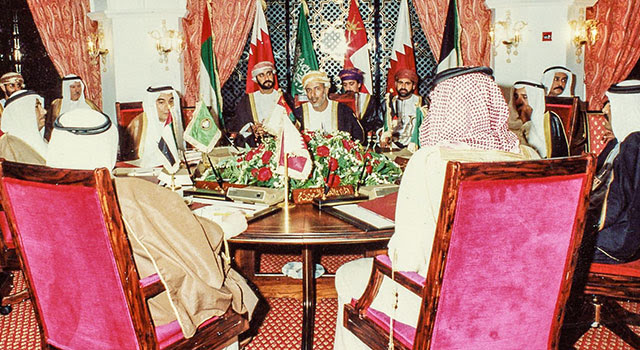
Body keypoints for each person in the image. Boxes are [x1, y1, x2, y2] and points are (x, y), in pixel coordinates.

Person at [333, 67, 539, 350]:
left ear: (446, 107)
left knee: (348, 274)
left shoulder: (430, 161)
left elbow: (406, 257)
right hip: (520, 299)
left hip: (445, 303)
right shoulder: (530, 157)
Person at [47, 108, 258, 344]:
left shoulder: (40, 195)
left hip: (71, 308)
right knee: (227, 282)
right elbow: (193, 250)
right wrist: (222, 227)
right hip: (140, 311)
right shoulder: (127, 193)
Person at [587, 80, 640, 264]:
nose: (605, 111)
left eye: (612, 104)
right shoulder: (625, 142)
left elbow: (613, 204)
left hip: (619, 241)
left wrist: (580, 225)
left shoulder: (634, 144)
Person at [231, 61, 295, 147]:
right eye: (261, 75)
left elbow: (294, 123)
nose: (266, 78)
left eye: (269, 74)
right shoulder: (247, 100)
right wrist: (252, 129)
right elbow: (239, 125)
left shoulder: (285, 98)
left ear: (273, 75)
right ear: (256, 79)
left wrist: (271, 130)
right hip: (256, 146)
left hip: (282, 145)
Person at [293, 70, 365, 143]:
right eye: (309, 90)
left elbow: (358, 138)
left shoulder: (343, 111)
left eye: (317, 89)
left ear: (326, 90)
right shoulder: (299, 114)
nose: (313, 95)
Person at [123, 85, 185, 166]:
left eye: (171, 101)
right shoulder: (139, 125)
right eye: (161, 102)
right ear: (151, 105)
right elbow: (131, 160)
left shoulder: (174, 123)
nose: (168, 107)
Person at [511, 80, 568, 158]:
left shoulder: (548, 120)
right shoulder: (511, 120)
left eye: (525, 97)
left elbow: (540, 154)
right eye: (516, 97)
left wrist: (526, 122)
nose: (519, 102)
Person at [380, 68, 424, 152]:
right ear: (396, 84)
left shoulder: (421, 103)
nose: (403, 87)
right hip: (392, 146)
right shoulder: (388, 102)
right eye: (400, 83)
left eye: (407, 83)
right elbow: (378, 123)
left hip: (414, 147)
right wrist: (381, 133)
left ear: (413, 86)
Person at [46, 74, 101, 140]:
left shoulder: (89, 104)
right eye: (73, 87)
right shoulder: (57, 105)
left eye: (78, 86)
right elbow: (49, 127)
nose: (77, 90)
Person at [0, 90, 47, 164]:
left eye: (41, 106)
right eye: (36, 106)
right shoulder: (8, 144)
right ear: (22, 113)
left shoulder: (44, 142)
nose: (44, 111)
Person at [333, 67, 381, 137]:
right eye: (345, 85)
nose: (348, 88)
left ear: (359, 84)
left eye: (351, 84)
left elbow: (374, 121)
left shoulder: (369, 100)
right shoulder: (339, 101)